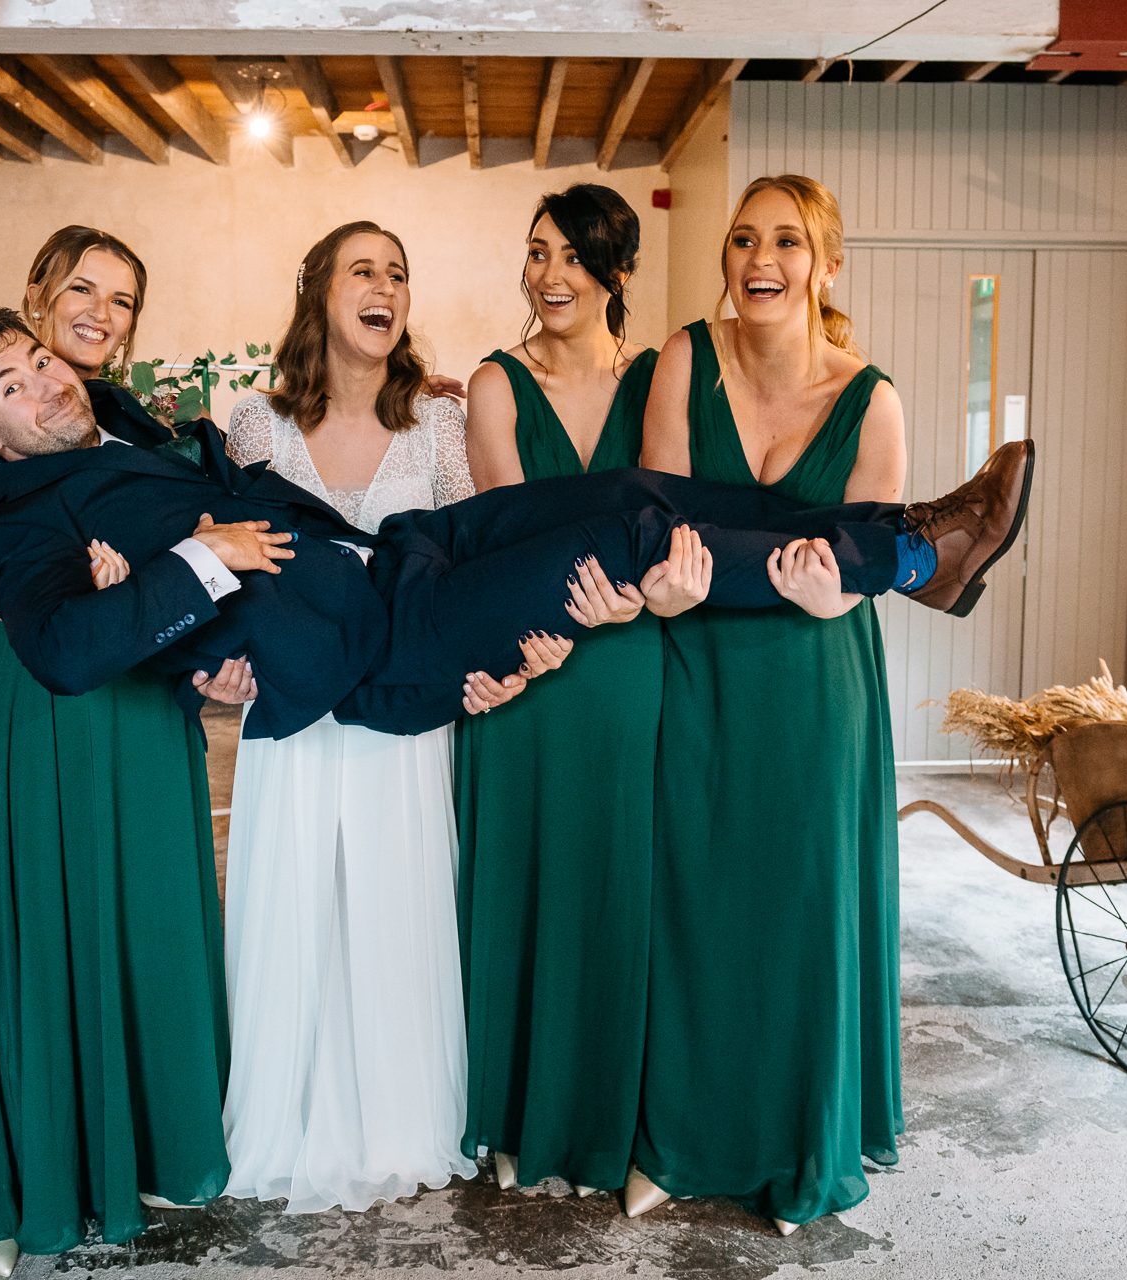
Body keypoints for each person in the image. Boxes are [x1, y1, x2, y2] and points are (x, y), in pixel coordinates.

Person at [0, 307, 1032, 741]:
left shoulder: (127, 424)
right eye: (10, 386)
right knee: (630, 548)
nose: (45, 383)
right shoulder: (5, 523)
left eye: (37, 360)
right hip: (377, 648)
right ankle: (915, 552)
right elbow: (69, 652)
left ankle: (899, 525)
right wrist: (197, 562)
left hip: (398, 552)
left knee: (628, 492)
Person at [219, 220, 565, 1213]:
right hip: (295, 702)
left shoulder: (438, 425)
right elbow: (233, 563)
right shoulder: (256, 424)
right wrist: (222, 666)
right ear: (319, 290)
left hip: (405, 707)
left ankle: (403, 1114)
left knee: (392, 890)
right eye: (362, 269)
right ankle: (287, 1111)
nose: (385, 286)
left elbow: (469, 560)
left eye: (399, 273)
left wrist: (503, 664)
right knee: (295, 894)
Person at [0, 228, 238, 1277]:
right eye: (82, 291)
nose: (101, 313)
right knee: (41, 913)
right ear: (38, 298)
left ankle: (153, 1140)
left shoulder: (122, 416)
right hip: (42, 687)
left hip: (140, 686)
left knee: (145, 904)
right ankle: (22, 1181)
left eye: (123, 299)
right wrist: (73, 581)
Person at [628, 174, 915, 1233]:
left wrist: (848, 581)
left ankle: (805, 1142)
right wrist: (660, 584)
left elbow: (871, 559)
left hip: (814, 676)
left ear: (825, 264)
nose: (761, 257)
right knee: (692, 894)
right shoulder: (682, 363)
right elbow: (655, 522)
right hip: (700, 661)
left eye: (787, 241)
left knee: (801, 907)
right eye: (745, 238)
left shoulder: (872, 396)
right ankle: (680, 1138)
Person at [455, 185, 662, 1197]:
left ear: (613, 269)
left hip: (628, 662)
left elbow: (672, 520)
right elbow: (507, 530)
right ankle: (511, 1109)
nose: (549, 276)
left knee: (620, 886)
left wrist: (627, 609)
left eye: (572, 257)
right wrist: (566, 621)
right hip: (529, 660)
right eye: (537, 254)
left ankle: (612, 1118)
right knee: (521, 880)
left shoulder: (660, 377)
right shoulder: (495, 382)